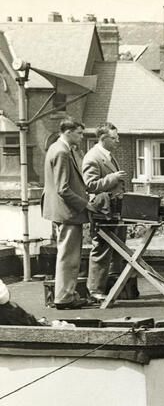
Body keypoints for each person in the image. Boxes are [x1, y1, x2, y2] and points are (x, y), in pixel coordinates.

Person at [41, 118, 94, 310]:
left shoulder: (56, 148)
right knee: (69, 256)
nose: (81, 137)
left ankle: (66, 294)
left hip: (62, 211)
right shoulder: (62, 152)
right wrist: (85, 205)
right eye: (79, 133)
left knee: (67, 254)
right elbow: (63, 188)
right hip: (68, 213)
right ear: (69, 132)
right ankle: (64, 297)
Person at [82, 122, 127, 301]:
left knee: (117, 248)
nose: (118, 141)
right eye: (114, 138)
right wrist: (112, 178)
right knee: (101, 248)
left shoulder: (108, 156)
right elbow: (90, 185)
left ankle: (112, 286)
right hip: (103, 210)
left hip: (115, 209)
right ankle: (95, 290)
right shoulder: (92, 158)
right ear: (103, 138)